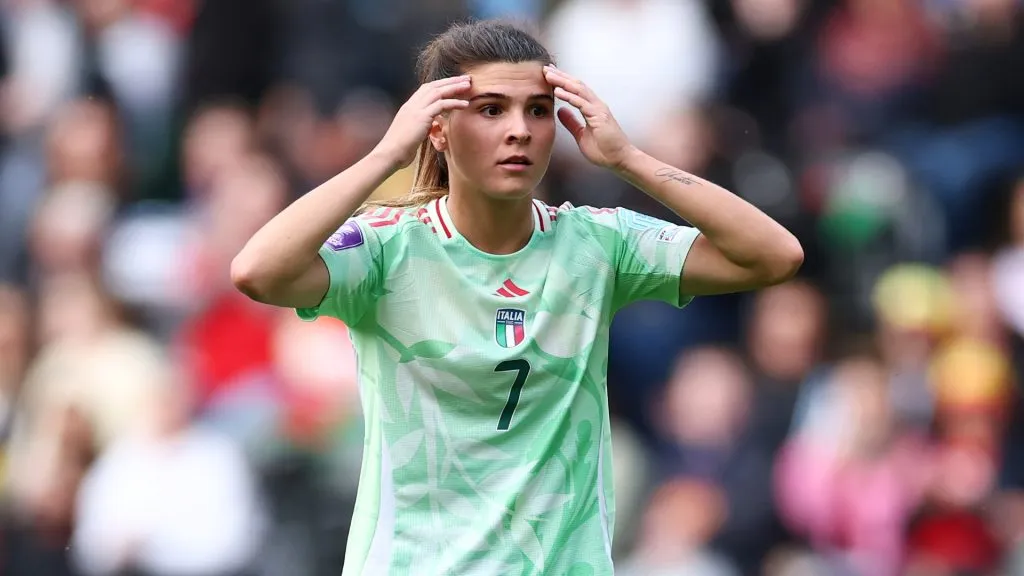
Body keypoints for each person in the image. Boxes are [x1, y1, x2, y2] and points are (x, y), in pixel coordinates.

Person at [231, 19, 803, 576]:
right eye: (490, 110)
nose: (520, 130)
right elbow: (258, 271)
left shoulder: (597, 244)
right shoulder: (384, 251)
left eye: (537, 109)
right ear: (437, 127)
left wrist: (630, 160)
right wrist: (386, 156)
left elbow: (775, 255)